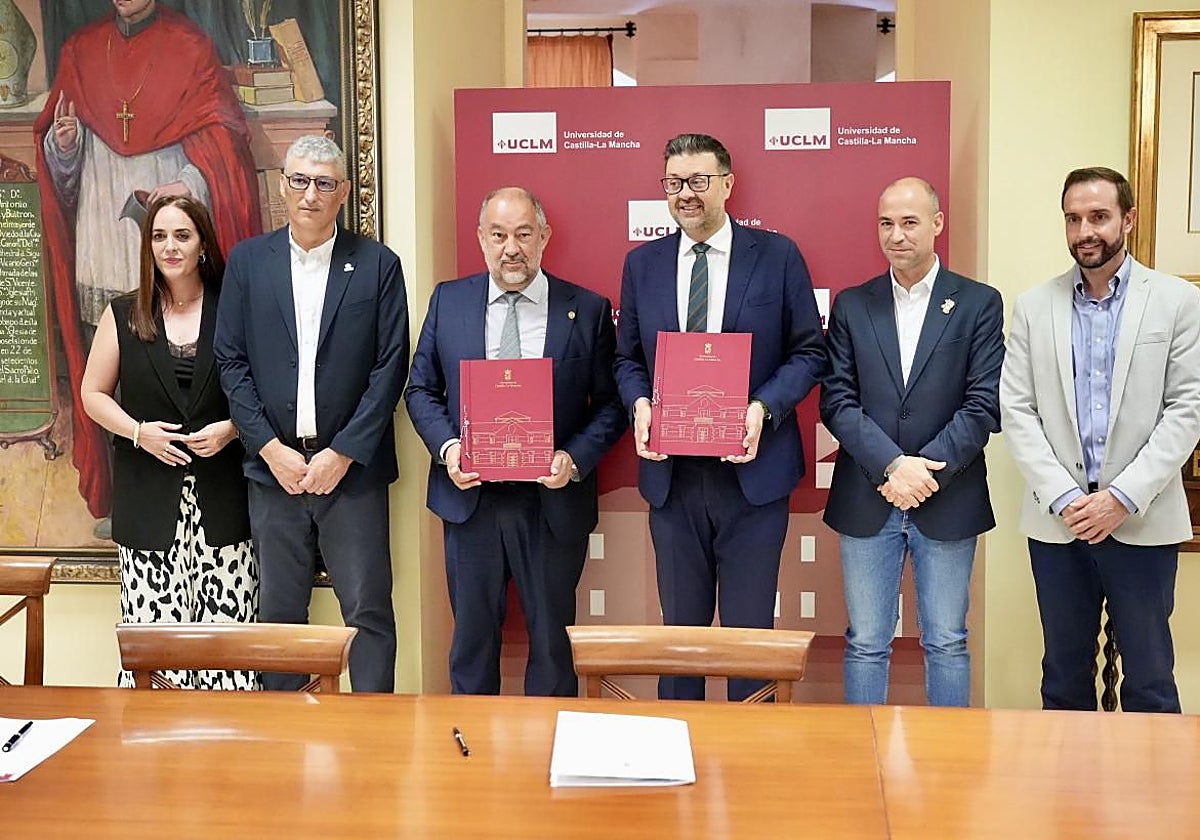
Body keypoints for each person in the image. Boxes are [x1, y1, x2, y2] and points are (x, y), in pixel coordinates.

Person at [613, 133, 827, 701]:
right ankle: (674, 759)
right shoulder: (643, 265)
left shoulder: (778, 256)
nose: (685, 194)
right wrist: (639, 404)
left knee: (749, 639)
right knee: (679, 638)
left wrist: (763, 408)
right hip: (674, 477)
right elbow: (627, 358)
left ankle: (752, 769)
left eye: (698, 181)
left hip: (753, 476)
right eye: (674, 183)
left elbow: (810, 353)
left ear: (728, 185)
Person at [35, 0, 261, 523]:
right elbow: (59, 173)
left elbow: (222, 144)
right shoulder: (81, 49)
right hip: (103, 233)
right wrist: (63, 148)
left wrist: (187, 185)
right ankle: (124, 499)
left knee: (180, 377)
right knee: (114, 369)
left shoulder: (191, 46)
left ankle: (193, 502)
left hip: (168, 227)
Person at [405, 187, 626, 696]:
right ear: (481, 238)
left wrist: (573, 460)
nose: (512, 248)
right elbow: (420, 389)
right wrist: (448, 449)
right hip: (471, 499)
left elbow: (612, 404)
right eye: (499, 235)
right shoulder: (449, 300)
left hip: (550, 504)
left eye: (524, 234)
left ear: (544, 237)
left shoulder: (587, 309)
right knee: (472, 644)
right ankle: (470, 759)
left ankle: (547, 760)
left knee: (552, 648)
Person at [1000, 166, 1200, 713]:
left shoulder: (1177, 302)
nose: (1085, 230)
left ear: (1128, 219)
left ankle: (1151, 798)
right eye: (1073, 219)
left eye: (1098, 217)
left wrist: (1120, 498)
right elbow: (1016, 410)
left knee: (1151, 680)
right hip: (1058, 525)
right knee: (1063, 678)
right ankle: (1070, 798)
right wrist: (1067, 499)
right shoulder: (1034, 306)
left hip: (1143, 519)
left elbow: (1188, 409)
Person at [214, 135, 408, 693]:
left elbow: (390, 367)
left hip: (351, 475)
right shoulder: (249, 262)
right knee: (280, 614)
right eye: (299, 180)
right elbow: (231, 361)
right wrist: (268, 448)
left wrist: (343, 452)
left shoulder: (377, 265)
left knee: (368, 610)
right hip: (273, 471)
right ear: (282, 185)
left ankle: (375, 732)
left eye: (324, 183)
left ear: (343, 192)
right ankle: (285, 741)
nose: (310, 194)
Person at [820, 177, 1004, 707]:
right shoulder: (854, 305)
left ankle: (949, 771)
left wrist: (925, 474)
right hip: (867, 496)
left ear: (937, 224)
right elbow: (837, 400)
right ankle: (861, 756)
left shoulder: (977, 303)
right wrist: (891, 467)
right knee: (865, 644)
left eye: (909, 222)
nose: (896, 235)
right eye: (886, 223)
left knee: (947, 641)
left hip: (947, 496)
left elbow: (982, 404)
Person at [79, 195, 257, 690]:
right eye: (159, 236)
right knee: (154, 651)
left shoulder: (234, 308)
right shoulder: (124, 312)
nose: (170, 247)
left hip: (222, 503)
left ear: (203, 244)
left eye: (182, 235)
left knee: (227, 650)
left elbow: (263, 392)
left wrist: (232, 428)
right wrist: (140, 433)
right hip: (147, 504)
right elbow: (92, 394)